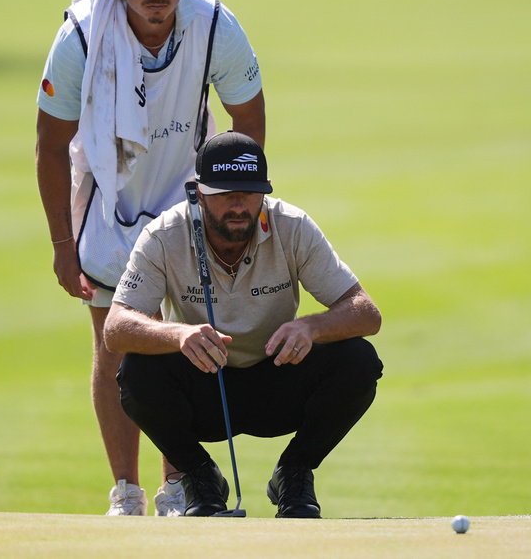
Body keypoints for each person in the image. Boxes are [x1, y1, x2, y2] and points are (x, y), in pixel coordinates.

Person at [35, 0, 266, 516]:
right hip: (109, 199)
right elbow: (50, 141)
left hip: (188, 192)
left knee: (184, 342)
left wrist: (238, 204)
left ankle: (178, 487)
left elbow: (249, 119)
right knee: (114, 345)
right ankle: (126, 491)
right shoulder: (82, 34)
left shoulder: (212, 24)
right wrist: (62, 246)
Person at [103, 131, 383, 518]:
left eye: (249, 193)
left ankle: (294, 472)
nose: (238, 205)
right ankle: (199, 476)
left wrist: (311, 328)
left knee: (359, 360)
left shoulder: (292, 226)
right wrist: (178, 334)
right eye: (223, 193)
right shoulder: (165, 235)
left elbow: (366, 313)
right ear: (198, 193)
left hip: (278, 380)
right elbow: (115, 327)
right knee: (135, 372)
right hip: (203, 387)